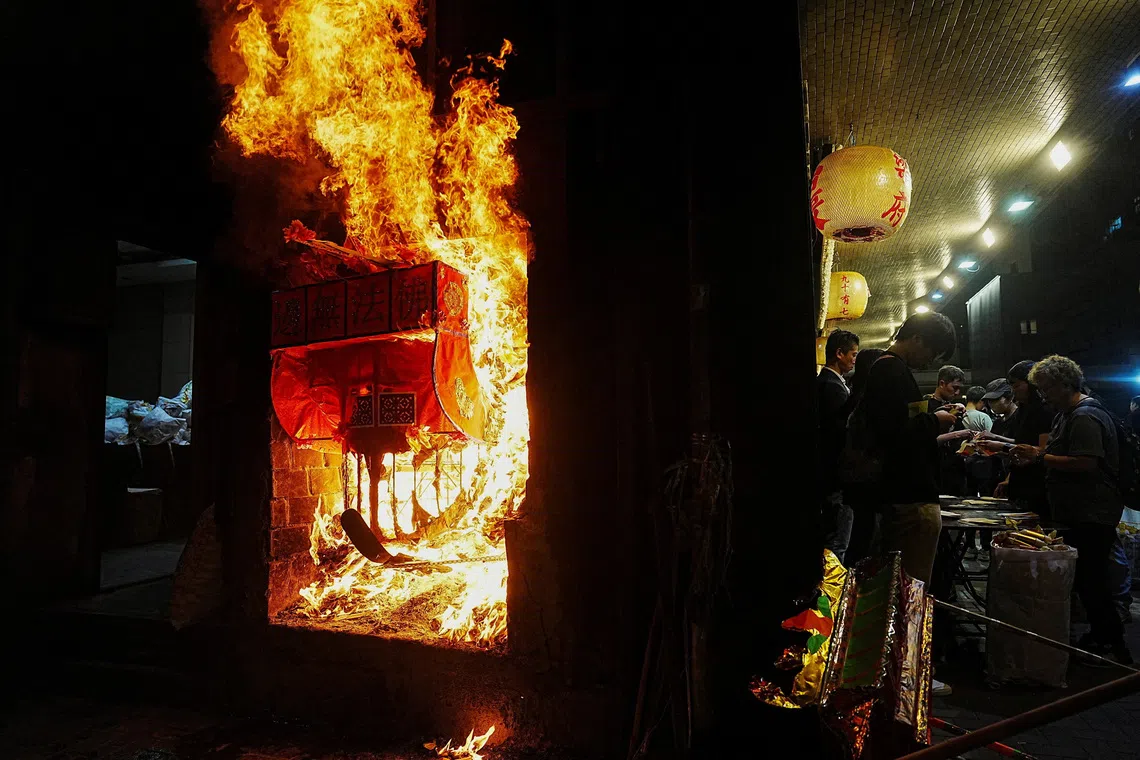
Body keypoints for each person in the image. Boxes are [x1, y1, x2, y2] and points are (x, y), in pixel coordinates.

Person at [1009, 355, 1131, 665]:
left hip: (1092, 512)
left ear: (1065, 384)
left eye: (1047, 389)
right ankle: (1102, 638)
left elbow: (1086, 462)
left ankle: (1114, 648)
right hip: (1075, 510)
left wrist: (1039, 457)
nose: (1043, 396)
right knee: (1085, 579)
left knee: (1093, 579)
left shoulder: (1085, 416)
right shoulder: (1066, 413)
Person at [861, 312, 959, 585]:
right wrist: (935, 421)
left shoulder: (885, 367)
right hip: (910, 497)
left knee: (900, 585)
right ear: (917, 339)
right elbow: (895, 431)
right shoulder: (890, 369)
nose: (930, 361)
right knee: (910, 588)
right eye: (933, 352)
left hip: (901, 495)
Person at [980, 361, 1053, 516]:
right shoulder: (1022, 411)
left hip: (1038, 486)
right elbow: (1020, 444)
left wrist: (1001, 446)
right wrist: (1009, 478)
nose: (1013, 391)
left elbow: (1042, 450)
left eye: (1016, 385)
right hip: (1020, 482)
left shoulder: (1044, 410)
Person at [818, 329, 859, 561]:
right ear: (839, 353)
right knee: (836, 543)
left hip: (830, 477)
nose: (854, 359)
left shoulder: (830, 383)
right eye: (852, 354)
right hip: (834, 477)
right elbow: (839, 433)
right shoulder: (831, 387)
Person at [842, 347, 885, 564]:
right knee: (864, 540)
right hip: (866, 482)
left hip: (855, 481)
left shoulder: (853, 397)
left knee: (859, 537)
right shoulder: (866, 401)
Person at [928, 365, 968, 495]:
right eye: (954, 388)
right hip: (933, 469)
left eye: (959, 389)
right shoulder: (926, 406)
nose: (957, 393)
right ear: (942, 383)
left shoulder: (956, 408)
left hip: (954, 470)